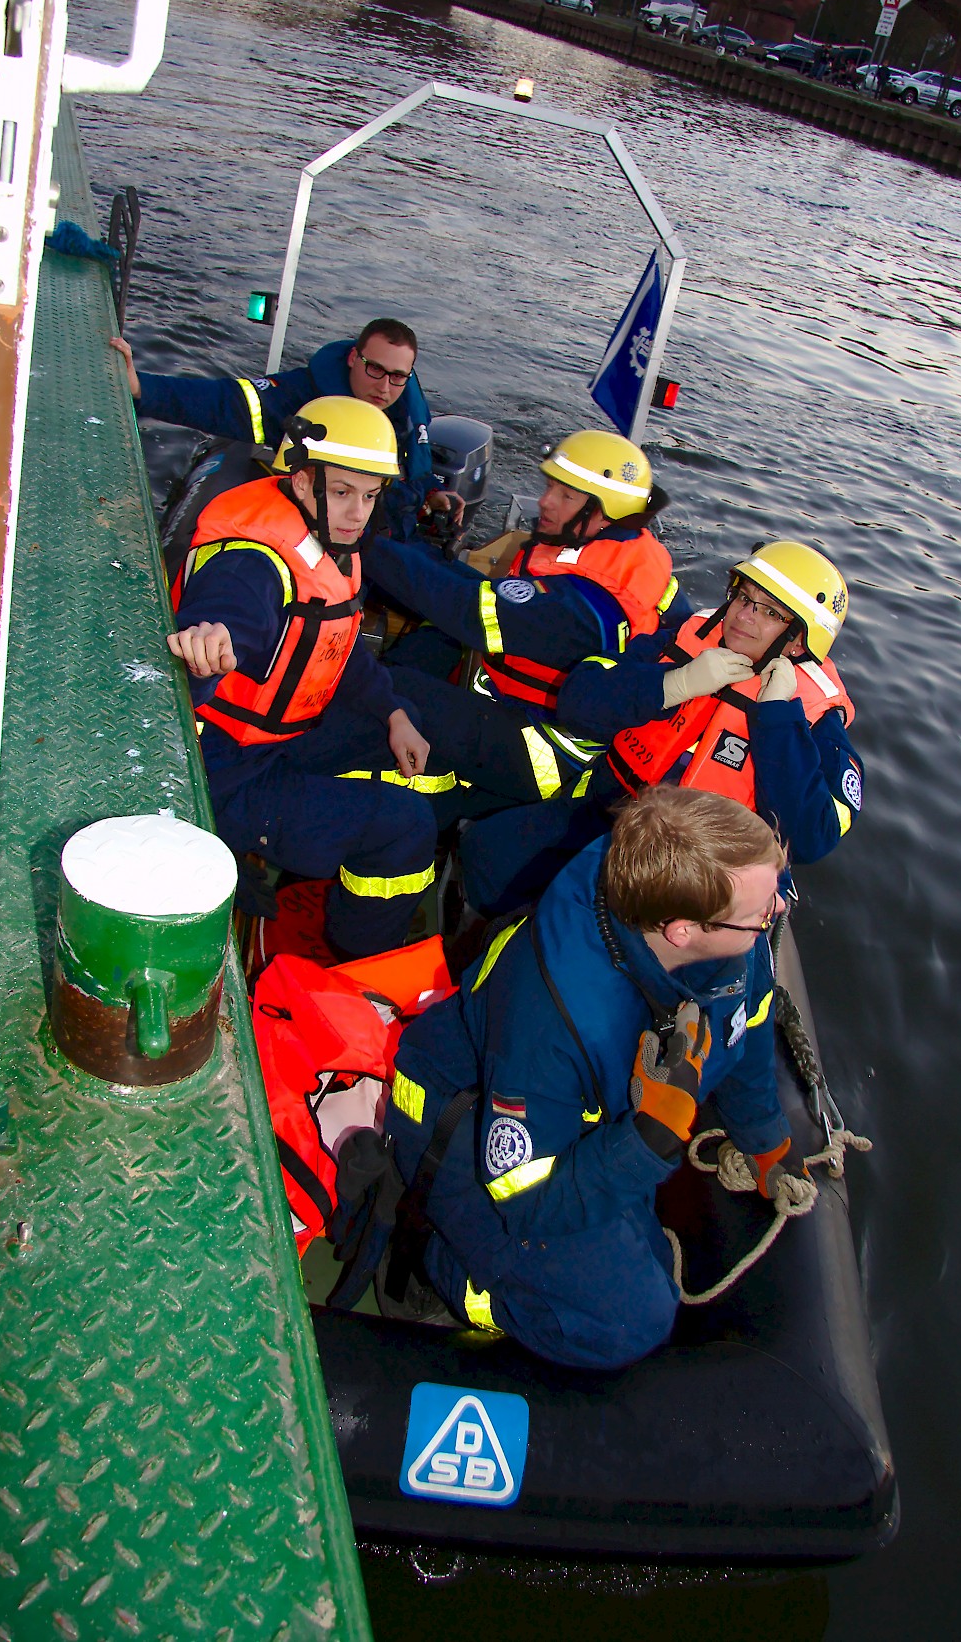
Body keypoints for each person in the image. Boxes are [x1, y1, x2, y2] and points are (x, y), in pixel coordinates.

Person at [382, 786, 804, 1368]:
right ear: (682, 930)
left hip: (575, 1126)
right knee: (629, 1320)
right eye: (760, 912)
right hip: (464, 1128)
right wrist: (649, 1139)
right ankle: (448, 1265)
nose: (776, 911)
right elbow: (525, 1200)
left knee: (649, 1253)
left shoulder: (731, 939)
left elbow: (745, 1026)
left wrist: (766, 1139)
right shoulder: (554, 1017)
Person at [169, 393, 438, 958]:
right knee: (404, 823)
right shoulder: (252, 565)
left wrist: (392, 713)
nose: (358, 513)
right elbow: (225, 623)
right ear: (301, 483)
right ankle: (357, 962)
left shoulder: (329, 545)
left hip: (278, 739)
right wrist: (207, 650)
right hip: (223, 774)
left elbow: (336, 644)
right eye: (341, 492)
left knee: (411, 717)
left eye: (369, 496)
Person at [459, 541, 862, 917]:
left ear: (798, 642)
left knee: (579, 923)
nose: (743, 615)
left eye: (770, 612)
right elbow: (579, 701)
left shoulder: (815, 718)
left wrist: (778, 719)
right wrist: (672, 683)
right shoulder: (685, 641)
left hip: (695, 874)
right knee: (486, 852)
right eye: (743, 597)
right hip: (611, 815)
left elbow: (812, 836)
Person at [363, 430, 689, 809]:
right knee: (433, 637)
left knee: (384, 687)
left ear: (603, 514)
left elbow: (469, 610)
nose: (545, 501)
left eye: (565, 495)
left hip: (541, 752)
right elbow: (478, 592)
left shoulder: (583, 605)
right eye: (550, 486)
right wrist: (405, 549)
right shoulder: (626, 555)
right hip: (528, 706)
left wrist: (358, 543)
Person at [111, 318, 461, 540]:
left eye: (398, 376)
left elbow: (409, 463)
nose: (384, 387)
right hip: (346, 536)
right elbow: (224, 401)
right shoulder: (303, 398)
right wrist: (143, 388)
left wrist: (432, 491)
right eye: (375, 370)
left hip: (398, 527)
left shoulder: (403, 411)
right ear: (354, 358)